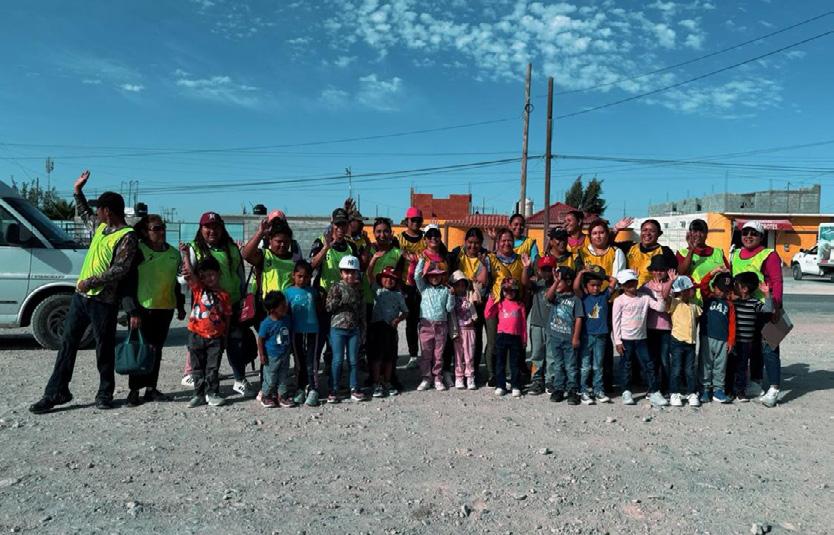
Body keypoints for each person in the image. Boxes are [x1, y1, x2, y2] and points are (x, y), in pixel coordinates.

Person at [30, 170, 138, 414]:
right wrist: (77, 191)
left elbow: (120, 269)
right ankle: (56, 392)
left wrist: (90, 282)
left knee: (104, 348)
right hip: (82, 299)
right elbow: (84, 213)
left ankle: (105, 393)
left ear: (108, 211)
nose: (96, 213)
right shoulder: (101, 227)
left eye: (99, 209)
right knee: (67, 344)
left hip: (104, 301)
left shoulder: (127, 236)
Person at [181, 212, 252, 398]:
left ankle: (239, 379)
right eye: (208, 227)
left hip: (231, 303)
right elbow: (185, 276)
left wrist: (243, 295)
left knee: (235, 342)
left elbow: (239, 273)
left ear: (222, 228)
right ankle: (202, 383)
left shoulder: (231, 248)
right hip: (206, 308)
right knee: (207, 347)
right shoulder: (194, 248)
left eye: (216, 226)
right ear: (201, 229)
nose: (212, 231)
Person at [124, 214, 187, 407]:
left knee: (156, 350)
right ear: (145, 232)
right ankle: (134, 390)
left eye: (162, 228)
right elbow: (127, 282)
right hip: (143, 309)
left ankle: (151, 388)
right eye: (156, 228)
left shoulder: (174, 254)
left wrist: (180, 305)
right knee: (139, 349)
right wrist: (132, 311)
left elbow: (177, 283)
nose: (161, 232)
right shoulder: (138, 251)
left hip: (165, 308)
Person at [730, 220, 783, 408]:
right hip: (743, 309)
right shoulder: (735, 254)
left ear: (761, 236)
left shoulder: (769, 254)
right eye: (745, 233)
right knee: (751, 348)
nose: (748, 236)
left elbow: (777, 281)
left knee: (769, 348)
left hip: (765, 308)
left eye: (754, 233)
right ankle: (756, 382)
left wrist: (776, 306)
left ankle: (774, 388)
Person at [180, 251, 232, 408]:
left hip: (216, 338)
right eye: (204, 276)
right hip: (196, 335)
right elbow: (190, 273)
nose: (208, 279)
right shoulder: (199, 289)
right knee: (197, 368)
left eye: (211, 275)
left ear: (219, 274)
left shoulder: (224, 295)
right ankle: (198, 394)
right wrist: (186, 256)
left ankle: (212, 393)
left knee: (212, 367)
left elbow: (227, 317)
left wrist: (225, 336)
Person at [612, 269, 669, 407]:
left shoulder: (644, 298)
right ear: (622, 286)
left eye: (632, 282)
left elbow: (661, 308)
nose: (630, 285)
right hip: (626, 340)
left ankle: (654, 392)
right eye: (627, 283)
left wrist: (659, 294)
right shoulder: (619, 301)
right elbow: (616, 321)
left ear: (637, 282)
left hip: (641, 339)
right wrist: (618, 341)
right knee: (626, 365)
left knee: (649, 365)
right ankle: (626, 391)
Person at [485, 227, 530, 387]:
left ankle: (512, 374)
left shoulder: (520, 259)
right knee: (493, 342)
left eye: (509, 240)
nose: (506, 243)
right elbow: (484, 280)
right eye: (503, 240)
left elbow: (525, 283)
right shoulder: (491, 259)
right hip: (496, 305)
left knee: (514, 342)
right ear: (498, 242)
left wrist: (526, 267)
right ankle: (493, 374)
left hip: (514, 306)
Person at [447, 228, 490, 382]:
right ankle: (458, 371)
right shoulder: (457, 254)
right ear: (465, 241)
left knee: (474, 338)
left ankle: (473, 370)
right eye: (470, 242)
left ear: (481, 243)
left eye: (477, 243)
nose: (473, 246)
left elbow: (484, 281)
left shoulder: (484, 257)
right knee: (456, 337)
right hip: (458, 302)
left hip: (476, 302)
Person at [325, 255, 366, 403]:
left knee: (353, 360)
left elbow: (361, 311)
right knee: (337, 360)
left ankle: (354, 388)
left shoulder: (359, 289)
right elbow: (328, 307)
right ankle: (334, 389)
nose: (350, 275)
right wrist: (340, 300)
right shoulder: (336, 287)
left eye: (353, 272)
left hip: (353, 329)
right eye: (346, 272)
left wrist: (363, 328)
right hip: (338, 328)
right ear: (341, 273)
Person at [573, 266, 614, 404]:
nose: (596, 288)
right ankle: (583, 390)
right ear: (586, 286)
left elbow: (613, 281)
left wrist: (602, 276)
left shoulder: (604, 296)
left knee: (598, 365)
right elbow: (575, 287)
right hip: (586, 336)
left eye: (598, 285)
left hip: (601, 336)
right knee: (585, 365)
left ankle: (598, 390)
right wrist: (581, 273)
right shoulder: (583, 297)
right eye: (592, 285)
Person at [731, 272, 774, 402]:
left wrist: (767, 294)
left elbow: (768, 309)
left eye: (736, 285)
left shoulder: (754, 303)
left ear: (744, 289)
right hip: (733, 341)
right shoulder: (734, 302)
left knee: (742, 366)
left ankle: (740, 391)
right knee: (730, 365)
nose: (733, 287)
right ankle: (729, 389)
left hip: (746, 342)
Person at [284, 260, 322, 407]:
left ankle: (313, 389)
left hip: (313, 330)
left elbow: (319, 308)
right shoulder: (288, 292)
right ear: (293, 275)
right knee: (299, 361)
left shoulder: (313, 291)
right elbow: (285, 312)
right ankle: (300, 388)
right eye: (299, 276)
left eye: (306, 277)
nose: (302, 279)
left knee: (311, 361)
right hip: (296, 331)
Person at [545, 267, 584, 405]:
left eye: (559, 281)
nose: (556, 284)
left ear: (568, 282)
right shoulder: (556, 296)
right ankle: (559, 388)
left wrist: (576, 337)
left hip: (569, 339)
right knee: (558, 364)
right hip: (555, 337)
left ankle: (572, 389)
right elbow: (548, 297)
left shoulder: (576, 299)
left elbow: (579, 318)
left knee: (571, 366)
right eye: (554, 281)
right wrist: (556, 282)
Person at [414, 259, 454, 391]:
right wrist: (421, 261)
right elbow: (417, 276)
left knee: (438, 354)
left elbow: (449, 308)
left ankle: (437, 378)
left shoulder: (445, 291)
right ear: (428, 277)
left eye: (437, 275)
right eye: (432, 275)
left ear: (442, 276)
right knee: (426, 354)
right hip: (426, 325)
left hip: (441, 325)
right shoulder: (424, 289)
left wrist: (451, 295)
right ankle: (426, 378)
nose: (435, 278)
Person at [368, 266, 408, 398]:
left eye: (392, 278)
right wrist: (374, 259)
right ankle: (376, 382)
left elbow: (406, 311)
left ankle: (387, 381)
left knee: (390, 358)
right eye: (386, 277)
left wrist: (398, 319)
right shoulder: (378, 290)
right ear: (381, 279)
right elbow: (369, 273)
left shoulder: (399, 295)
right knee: (376, 357)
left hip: (390, 329)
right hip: (377, 327)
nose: (389, 280)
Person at [484, 278, 527, 397]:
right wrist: (491, 299)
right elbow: (488, 314)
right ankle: (500, 385)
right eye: (506, 290)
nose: (509, 293)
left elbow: (523, 324)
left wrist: (524, 339)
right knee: (500, 362)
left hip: (516, 336)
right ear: (502, 291)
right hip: (502, 335)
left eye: (512, 290)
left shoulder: (520, 305)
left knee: (515, 363)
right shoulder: (500, 304)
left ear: (516, 291)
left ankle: (515, 385)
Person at [639, 256, 675, 395]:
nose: (658, 272)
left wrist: (670, 282)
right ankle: (653, 387)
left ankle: (666, 387)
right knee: (652, 359)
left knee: (665, 359)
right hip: (650, 327)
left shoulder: (672, 285)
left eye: (661, 270)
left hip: (666, 328)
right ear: (651, 271)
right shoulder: (646, 287)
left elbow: (666, 301)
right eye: (655, 269)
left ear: (666, 271)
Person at [699, 272, 736, 404]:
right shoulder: (708, 297)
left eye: (725, 291)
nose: (721, 293)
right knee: (706, 364)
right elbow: (703, 285)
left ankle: (718, 390)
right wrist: (712, 273)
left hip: (723, 340)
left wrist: (731, 341)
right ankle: (705, 389)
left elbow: (732, 324)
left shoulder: (729, 304)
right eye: (719, 289)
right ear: (714, 286)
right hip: (707, 337)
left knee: (720, 366)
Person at [242, 217, 301, 298]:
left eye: (286, 242)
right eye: (279, 241)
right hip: (267, 304)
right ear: (270, 240)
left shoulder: (295, 259)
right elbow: (246, 255)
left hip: (289, 304)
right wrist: (260, 233)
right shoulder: (264, 255)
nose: (282, 245)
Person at [675, 219, 729, 306]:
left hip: (716, 300)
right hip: (695, 301)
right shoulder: (682, 253)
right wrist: (691, 250)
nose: (698, 234)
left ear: (706, 234)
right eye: (695, 231)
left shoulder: (718, 252)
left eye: (701, 231)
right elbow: (681, 273)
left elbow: (728, 274)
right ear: (690, 233)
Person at [667, 275, 702, 408]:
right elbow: (665, 298)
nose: (690, 292)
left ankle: (691, 393)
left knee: (689, 369)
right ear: (681, 291)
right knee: (676, 368)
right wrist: (671, 281)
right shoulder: (675, 302)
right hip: (677, 341)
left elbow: (696, 320)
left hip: (691, 343)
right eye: (686, 290)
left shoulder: (694, 305)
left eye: (691, 289)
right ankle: (674, 393)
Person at [398, 207, 427, 368]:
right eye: (413, 220)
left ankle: (428, 354)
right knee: (410, 322)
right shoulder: (399, 239)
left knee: (426, 322)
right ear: (407, 221)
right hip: (407, 286)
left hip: (424, 287)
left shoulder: (426, 237)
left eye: (419, 220)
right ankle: (413, 355)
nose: (416, 223)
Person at [257, 291, 294, 408]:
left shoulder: (287, 319)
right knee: (271, 377)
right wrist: (262, 355)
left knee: (283, 376)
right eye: (282, 305)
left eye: (285, 304)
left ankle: (282, 396)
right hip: (272, 356)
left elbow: (290, 334)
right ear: (273, 310)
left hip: (284, 354)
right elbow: (260, 339)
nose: (286, 307)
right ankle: (266, 395)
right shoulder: (266, 323)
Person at [527, 255, 556, 396]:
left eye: (549, 269)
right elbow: (525, 282)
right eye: (544, 269)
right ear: (538, 270)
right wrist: (526, 268)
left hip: (553, 325)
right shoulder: (537, 285)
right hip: (537, 323)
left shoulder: (558, 285)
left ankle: (551, 379)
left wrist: (556, 280)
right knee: (537, 354)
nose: (547, 273)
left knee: (551, 355)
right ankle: (537, 379)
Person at [449, 270, 479, 390]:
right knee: (458, 355)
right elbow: (450, 310)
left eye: (463, 285)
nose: (460, 288)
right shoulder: (451, 298)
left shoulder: (469, 296)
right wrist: (451, 294)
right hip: (458, 330)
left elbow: (474, 313)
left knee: (469, 355)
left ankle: (470, 377)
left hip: (469, 329)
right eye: (457, 285)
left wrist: (474, 317)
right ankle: (459, 377)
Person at [626, 219, 678, 286]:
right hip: (630, 290)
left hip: (654, 291)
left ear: (659, 234)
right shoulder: (629, 247)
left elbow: (674, 274)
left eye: (652, 231)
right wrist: (616, 229)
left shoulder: (665, 251)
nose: (647, 233)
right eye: (644, 230)